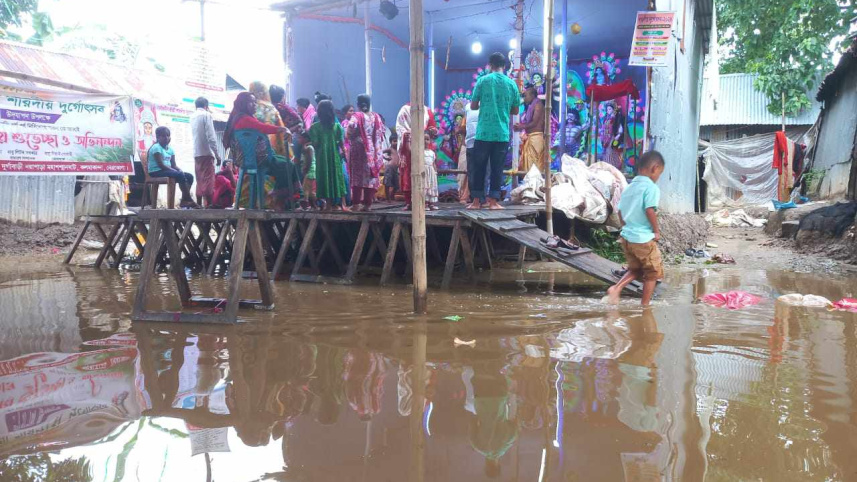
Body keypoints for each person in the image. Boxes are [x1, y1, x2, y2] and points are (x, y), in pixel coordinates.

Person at [606, 150, 665, 306]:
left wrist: (625, 228)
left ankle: (616, 288)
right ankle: (645, 306)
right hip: (643, 239)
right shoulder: (651, 188)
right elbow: (649, 210)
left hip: (627, 238)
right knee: (652, 273)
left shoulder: (629, 187)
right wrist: (656, 231)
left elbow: (620, 210)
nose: (658, 177)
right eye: (660, 173)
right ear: (655, 168)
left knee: (636, 270)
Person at [222, 92, 295, 209]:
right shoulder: (245, 119)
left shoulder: (237, 118)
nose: (255, 105)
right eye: (252, 102)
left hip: (247, 160)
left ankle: (285, 198)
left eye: (255, 102)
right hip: (260, 160)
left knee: (285, 163)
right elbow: (263, 127)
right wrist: (282, 129)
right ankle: (281, 198)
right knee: (289, 165)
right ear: (244, 104)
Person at [469, 52, 520, 210]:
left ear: (490, 65)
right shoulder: (511, 84)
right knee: (497, 168)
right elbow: (515, 110)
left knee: (479, 167)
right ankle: (493, 202)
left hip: (483, 132)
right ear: (504, 66)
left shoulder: (482, 81)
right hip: (501, 133)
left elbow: (473, 106)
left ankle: (476, 202)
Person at [395, 103, 437, 210]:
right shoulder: (404, 109)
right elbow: (400, 127)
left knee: (426, 178)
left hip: (424, 147)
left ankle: (426, 202)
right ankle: (409, 202)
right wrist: (407, 136)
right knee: (407, 175)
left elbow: (433, 127)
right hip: (408, 146)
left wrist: (432, 131)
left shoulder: (427, 110)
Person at [346, 94, 384, 212]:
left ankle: (356, 204)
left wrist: (349, 136)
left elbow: (351, 126)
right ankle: (368, 205)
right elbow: (381, 132)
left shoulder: (357, 116)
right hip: (372, 150)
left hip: (359, 149)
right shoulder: (376, 116)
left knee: (357, 176)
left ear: (358, 104)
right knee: (370, 176)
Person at [309, 100, 348, 211]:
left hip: (322, 158)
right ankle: (342, 204)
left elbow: (315, 144)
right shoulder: (337, 127)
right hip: (335, 158)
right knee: (337, 178)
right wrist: (345, 155)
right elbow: (342, 144)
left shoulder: (314, 127)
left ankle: (328, 204)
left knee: (324, 177)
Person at [147, 126, 198, 208]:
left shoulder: (170, 150)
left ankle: (184, 199)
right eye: (163, 136)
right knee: (179, 174)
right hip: (156, 171)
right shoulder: (156, 147)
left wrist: (179, 170)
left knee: (189, 176)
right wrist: (175, 171)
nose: (166, 138)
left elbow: (173, 165)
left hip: (166, 171)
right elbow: (161, 165)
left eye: (168, 135)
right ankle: (188, 199)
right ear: (158, 137)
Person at [190, 97, 222, 207]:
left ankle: (199, 204)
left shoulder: (192, 117)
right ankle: (210, 204)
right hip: (207, 152)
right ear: (206, 106)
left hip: (197, 153)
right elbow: (211, 137)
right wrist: (217, 155)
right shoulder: (207, 115)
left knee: (199, 178)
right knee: (209, 179)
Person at [249, 81, 289, 157]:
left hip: (247, 149)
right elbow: (278, 129)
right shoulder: (270, 107)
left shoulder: (246, 106)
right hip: (268, 149)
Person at [513, 85, 545, 174]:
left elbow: (534, 123)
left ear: (532, 95)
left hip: (536, 139)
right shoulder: (532, 106)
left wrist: (521, 127)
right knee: (528, 168)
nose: (525, 98)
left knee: (534, 168)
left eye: (526, 96)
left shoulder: (538, 105)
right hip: (531, 137)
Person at [457, 104, 479, 204]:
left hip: (480, 144)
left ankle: (471, 196)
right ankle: (462, 195)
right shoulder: (467, 112)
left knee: (475, 171)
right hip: (466, 144)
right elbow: (460, 130)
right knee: (463, 170)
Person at [601, 102, 625, 170]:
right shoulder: (606, 119)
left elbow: (620, 127)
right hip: (605, 138)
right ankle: (607, 167)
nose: (608, 111)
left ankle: (613, 166)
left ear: (613, 110)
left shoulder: (616, 118)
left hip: (612, 138)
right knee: (606, 152)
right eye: (607, 109)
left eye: (610, 109)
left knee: (611, 151)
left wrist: (618, 135)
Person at [298, 131, 318, 210]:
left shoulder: (309, 148)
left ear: (306, 139)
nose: (299, 139)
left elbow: (310, 159)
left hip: (310, 171)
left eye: (300, 138)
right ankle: (315, 205)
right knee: (310, 191)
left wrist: (306, 169)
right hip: (309, 171)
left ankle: (305, 205)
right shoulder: (306, 147)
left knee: (305, 189)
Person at [424, 133, 439, 210]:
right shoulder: (420, 152)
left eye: (427, 139)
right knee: (425, 186)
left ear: (430, 141)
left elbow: (434, 163)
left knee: (431, 186)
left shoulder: (432, 152)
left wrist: (435, 172)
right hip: (424, 172)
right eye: (424, 139)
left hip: (431, 172)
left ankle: (431, 203)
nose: (425, 141)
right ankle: (425, 204)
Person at [383, 132, 400, 201]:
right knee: (387, 183)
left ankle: (392, 196)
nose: (396, 143)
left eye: (397, 141)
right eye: (394, 141)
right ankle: (388, 198)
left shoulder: (398, 150)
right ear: (390, 142)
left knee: (396, 185)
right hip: (389, 168)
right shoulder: (390, 149)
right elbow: (380, 152)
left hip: (395, 169)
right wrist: (385, 158)